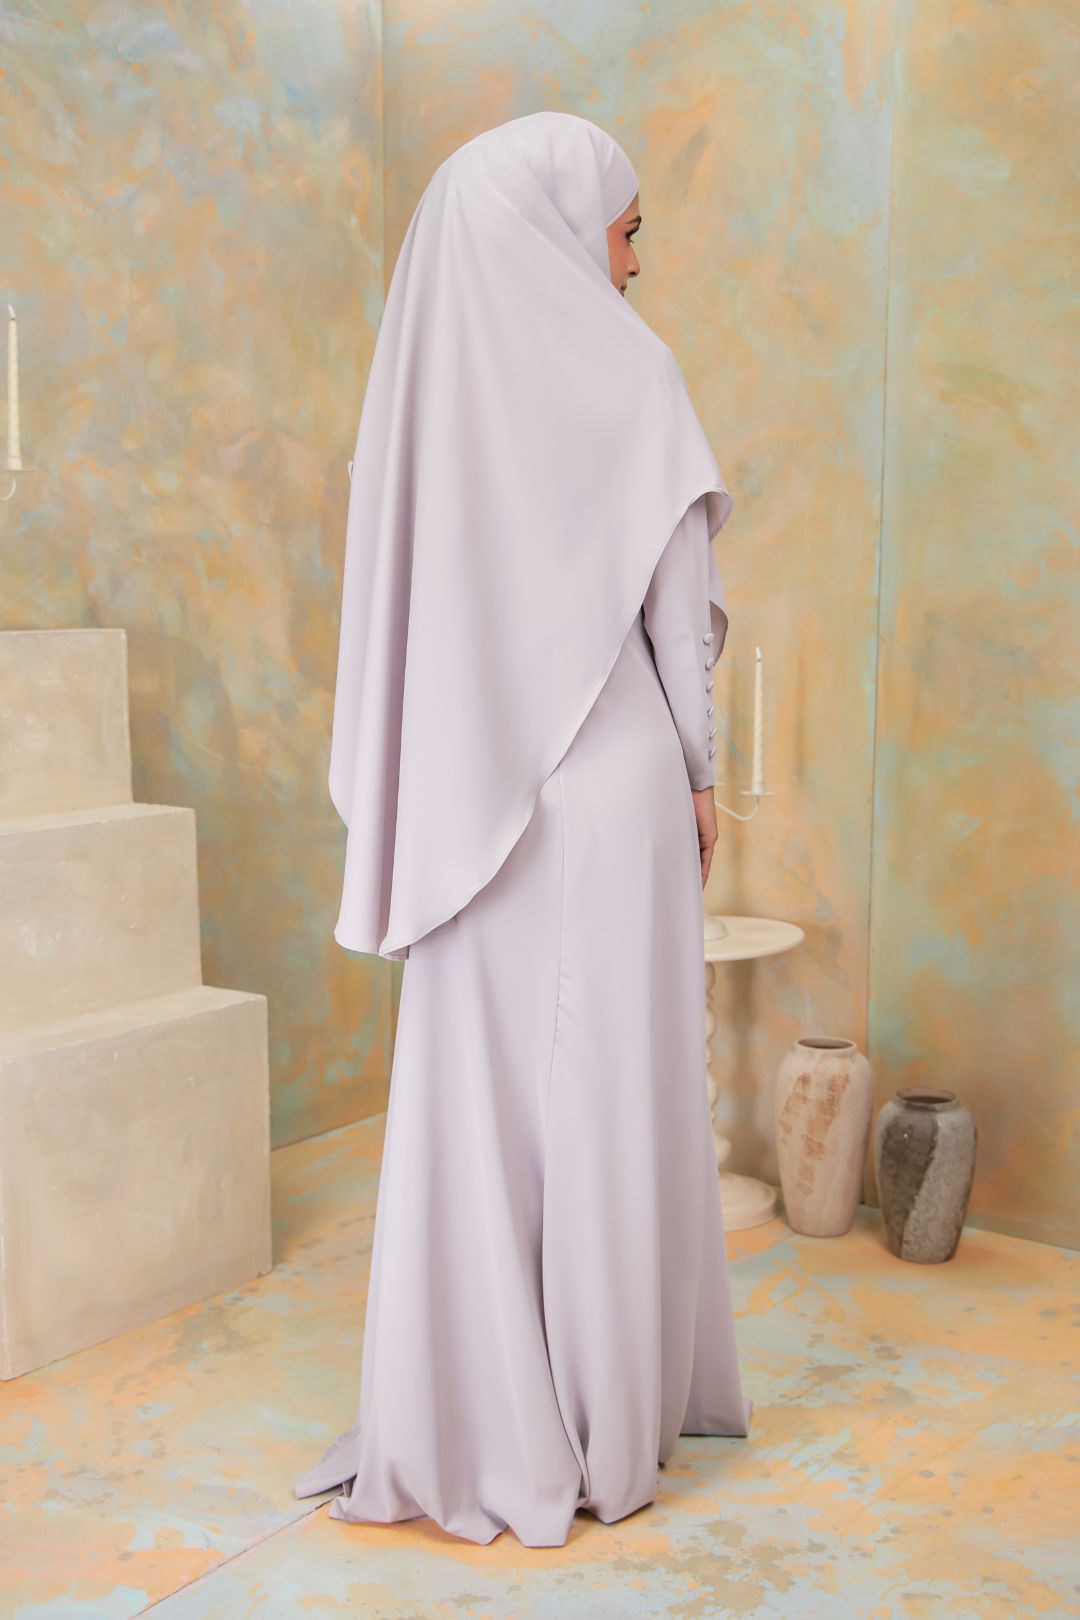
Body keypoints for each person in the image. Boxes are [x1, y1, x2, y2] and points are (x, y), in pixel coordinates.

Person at [295, 109, 752, 1548]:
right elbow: (676, 621)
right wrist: (703, 778)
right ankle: (609, 1417)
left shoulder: (432, 402)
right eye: (627, 231)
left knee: (482, 1108)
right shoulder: (635, 377)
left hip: (473, 801)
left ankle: (480, 1410)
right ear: (560, 226)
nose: (633, 264)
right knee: (610, 1095)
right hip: (612, 791)